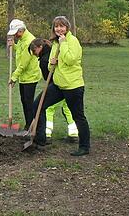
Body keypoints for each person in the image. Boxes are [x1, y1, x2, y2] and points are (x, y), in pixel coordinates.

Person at [31, 16, 90, 156]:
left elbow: (70, 60)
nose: (59, 29)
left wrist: (63, 44)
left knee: (78, 116)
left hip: (72, 86)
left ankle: (84, 147)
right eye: (56, 27)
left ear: (67, 27)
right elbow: (51, 67)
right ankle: (40, 139)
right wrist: (52, 62)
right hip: (58, 85)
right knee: (37, 105)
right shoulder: (55, 43)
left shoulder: (72, 41)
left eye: (62, 26)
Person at [28, 38, 79, 141]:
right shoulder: (52, 52)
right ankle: (73, 133)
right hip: (69, 84)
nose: (34, 54)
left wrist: (50, 87)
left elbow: (49, 77)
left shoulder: (44, 60)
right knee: (67, 108)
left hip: (57, 85)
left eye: (34, 51)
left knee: (46, 108)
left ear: (40, 47)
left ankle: (45, 135)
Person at [7, 19, 42, 131]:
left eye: (16, 33)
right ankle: (28, 124)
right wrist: (15, 46)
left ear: (22, 30)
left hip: (30, 76)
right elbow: (21, 52)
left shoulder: (29, 41)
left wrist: (13, 77)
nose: (15, 35)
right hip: (24, 76)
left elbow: (24, 64)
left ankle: (31, 126)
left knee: (28, 102)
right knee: (24, 101)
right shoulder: (22, 39)